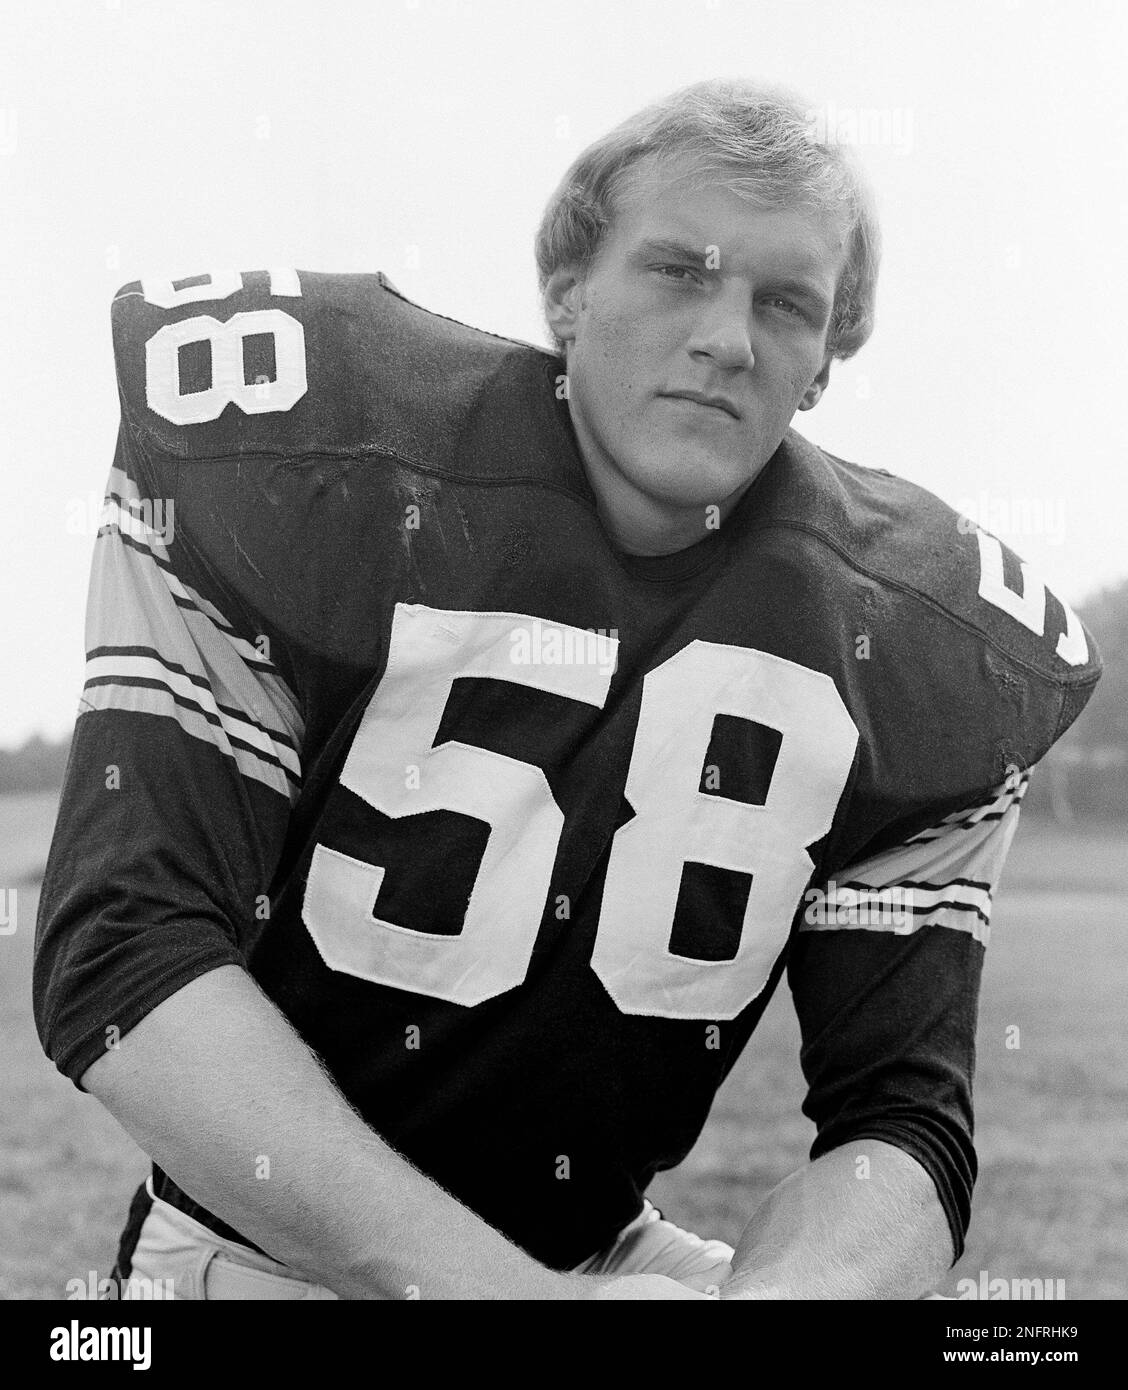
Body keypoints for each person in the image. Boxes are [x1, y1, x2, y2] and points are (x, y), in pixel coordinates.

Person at [34, 78, 1100, 1300]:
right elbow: (123, 954)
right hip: (260, 1251)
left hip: (594, 1254)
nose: (727, 337)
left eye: (787, 302)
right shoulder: (302, 451)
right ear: (565, 293)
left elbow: (903, 1128)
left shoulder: (928, 639)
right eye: (678, 271)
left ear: (822, 363)